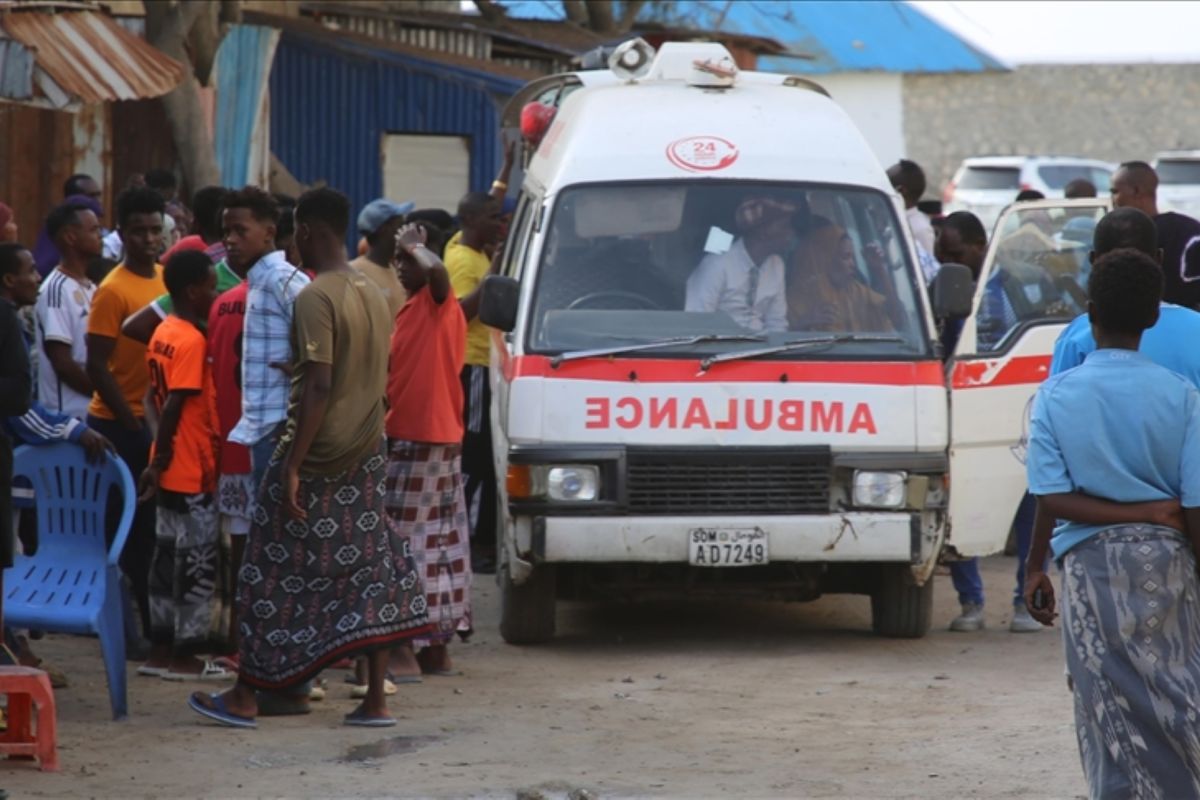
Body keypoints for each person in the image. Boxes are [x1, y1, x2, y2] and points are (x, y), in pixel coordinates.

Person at [187, 187, 428, 729]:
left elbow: (318, 385)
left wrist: (292, 465)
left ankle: (248, 694)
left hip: (318, 456)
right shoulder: (372, 288)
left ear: (307, 231)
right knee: (365, 567)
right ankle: (364, 699)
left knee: (264, 573)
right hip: (365, 449)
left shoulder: (318, 295)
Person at [1024, 247, 1200, 797]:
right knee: (1176, 693)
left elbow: (1050, 496)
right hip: (1171, 561)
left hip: (1089, 570)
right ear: (1153, 317)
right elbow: (1191, 505)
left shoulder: (1053, 397)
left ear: (1089, 309)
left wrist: (1034, 567)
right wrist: (1153, 513)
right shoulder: (1183, 396)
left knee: (1104, 706)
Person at [931, 211, 1040, 632]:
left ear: (981, 247)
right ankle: (971, 603)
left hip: (1011, 408)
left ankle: (1025, 603)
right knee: (962, 506)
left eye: (956, 254)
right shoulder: (942, 291)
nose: (948, 263)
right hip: (964, 411)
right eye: (943, 255)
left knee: (1028, 504)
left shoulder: (1015, 287)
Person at [136, 250, 229, 681]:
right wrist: (168, 452)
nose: (215, 292)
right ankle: (187, 657)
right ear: (193, 290)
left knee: (165, 560)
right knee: (195, 564)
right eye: (211, 285)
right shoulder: (191, 342)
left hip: (168, 464)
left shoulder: (164, 331)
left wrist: (157, 454)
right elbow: (173, 402)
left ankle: (158, 651)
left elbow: (148, 399)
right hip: (189, 467)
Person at [386, 222, 472, 676]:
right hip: (429, 434)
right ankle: (435, 647)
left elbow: (438, 274)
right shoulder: (413, 308)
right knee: (440, 542)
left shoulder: (438, 300)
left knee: (406, 543)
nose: (401, 266)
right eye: (397, 259)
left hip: (421, 436)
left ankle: (404, 643)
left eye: (408, 259)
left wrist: (415, 247)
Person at [85, 187, 167, 641]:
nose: (149, 239)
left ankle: (151, 626)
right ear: (123, 234)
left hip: (154, 421)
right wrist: (133, 423)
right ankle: (126, 632)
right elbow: (95, 363)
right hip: (119, 425)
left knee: (151, 533)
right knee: (123, 533)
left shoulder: (165, 277)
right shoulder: (112, 289)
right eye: (139, 231)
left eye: (156, 230)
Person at [225, 188, 309, 495]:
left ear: (269, 232)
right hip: (262, 427)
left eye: (240, 231)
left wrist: (303, 367)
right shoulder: (259, 280)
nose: (230, 240)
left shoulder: (281, 279)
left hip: (280, 428)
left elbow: (327, 335)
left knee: (277, 530)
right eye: (227, 231)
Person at [445, 192, 504, 573]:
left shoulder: (473, 249)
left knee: (485, 456)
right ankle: (461, 540)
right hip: (474, 364)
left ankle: (477, 538)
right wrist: (493, 275)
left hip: (487, 362)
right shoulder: (462, 259)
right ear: (471, 220)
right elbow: (461, 314)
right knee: (476, 457)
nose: (498, 224)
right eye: (492, 218)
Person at [685, 195, 795, 333]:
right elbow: (696, 323)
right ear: (763, 232)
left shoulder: (777, 265)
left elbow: (776, 323)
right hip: (720, 349)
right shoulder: (716, 265)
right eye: (784, 226)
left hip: (764, 350)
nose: (791, 233)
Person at [36, 202, 103, 420]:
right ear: (70, 237)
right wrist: (103, 394)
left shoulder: (92, 287)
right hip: (69, 417)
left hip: (93, 413)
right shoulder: (55, 290)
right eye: (93, 230)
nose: (100, 235)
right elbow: (62, 362)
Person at [1111, 160, 1200, 309]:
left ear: (1136, 191)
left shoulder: (1130, 237)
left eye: (1115, 192)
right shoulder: (1189, 228)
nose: (1113, 199)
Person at [786, 217, 901, 332]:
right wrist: (804, 323)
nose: (853, 265)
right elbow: (783, 341)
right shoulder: (796, 298)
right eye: (846, 257)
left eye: (853, 257)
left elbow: (897, 319)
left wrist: (880, 270)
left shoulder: (857, 292)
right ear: (825, 259)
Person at [352, 198, 414, 320]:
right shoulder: (354, 273)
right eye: (400, 225)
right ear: (385, 229)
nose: (404, 231)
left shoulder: (398, 271)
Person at [887, 159, 935, 256]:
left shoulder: (920, 229)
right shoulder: (892, 221)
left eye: (887, 185)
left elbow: (926, 267)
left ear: (901, 191)